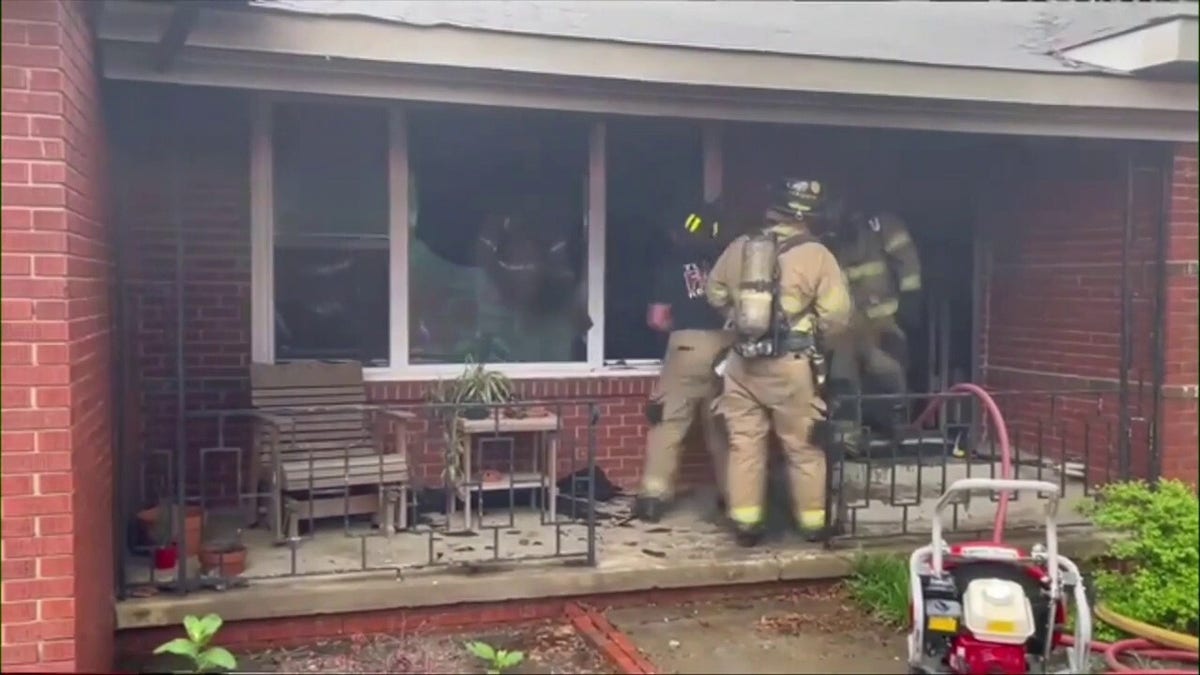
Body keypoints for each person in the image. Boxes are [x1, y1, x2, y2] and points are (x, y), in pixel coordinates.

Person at [705, 178, 853, 546]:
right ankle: (812, 525)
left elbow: (714, 292)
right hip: (792, 365)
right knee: (803, 446)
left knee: (744, 444)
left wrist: (739, 319)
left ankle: (746, 524)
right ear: (809, 216)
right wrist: (814, 334)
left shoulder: (740, 247)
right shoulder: (817, 255)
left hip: (741, 364)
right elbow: (837, 316)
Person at [634, 197, 734, 523]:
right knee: (724, 427)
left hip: (688, 347)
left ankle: (653, 497)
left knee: (668, 422)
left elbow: (657, 319)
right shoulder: (729, 262)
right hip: (729, 350)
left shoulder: (672, 262)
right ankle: (737, 500)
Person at [824, 200, 923, 452]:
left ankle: (897, 432)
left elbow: (907, 261)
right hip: (846, 327)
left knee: (889, 374)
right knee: (842, 377)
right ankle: (848, 439)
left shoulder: (883, 226)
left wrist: (910, 302)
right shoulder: (831, 240)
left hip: (884, 323)